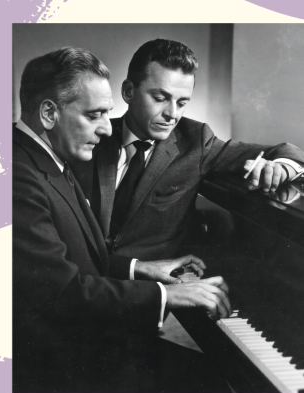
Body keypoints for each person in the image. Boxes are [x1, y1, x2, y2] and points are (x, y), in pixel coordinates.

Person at [13, 47, 232, 393]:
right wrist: (167, 296)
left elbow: (70, 259)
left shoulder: (46, 161)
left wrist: (140, 269)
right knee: (221, 384)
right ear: (48, 113)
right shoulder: (17, 176)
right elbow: (65, 293)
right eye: (95, 115)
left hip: (79, 345)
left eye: (107, 114)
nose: (105, 130)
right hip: (60, 365)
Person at [69, 39, 304, 261]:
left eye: (182, 103)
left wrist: (282, 167)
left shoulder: (195, 141)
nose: (172, 114)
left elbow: (287, 151)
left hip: (154, 289)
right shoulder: (92, 136)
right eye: (160, 98)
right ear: (128, 92)